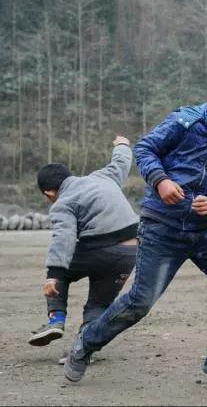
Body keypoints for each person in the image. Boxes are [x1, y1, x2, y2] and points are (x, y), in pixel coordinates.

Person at [63, 65, 207, 387]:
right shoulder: (184, 122)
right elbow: (145, 149)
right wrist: (161, 181)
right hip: (162, 228)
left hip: (202, 231)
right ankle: (86, 343)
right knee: (140, 302)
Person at [30, 136, 138, 353]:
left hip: (98, 248)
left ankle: (56, 320)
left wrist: (53, 274)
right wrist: (122, 145)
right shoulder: (104, 177)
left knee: (61, 275)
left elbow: (64, 238)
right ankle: (84, 347)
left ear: (49, 193)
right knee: (99, 303)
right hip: (130, 252)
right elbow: (121, 162)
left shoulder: (63, 203)